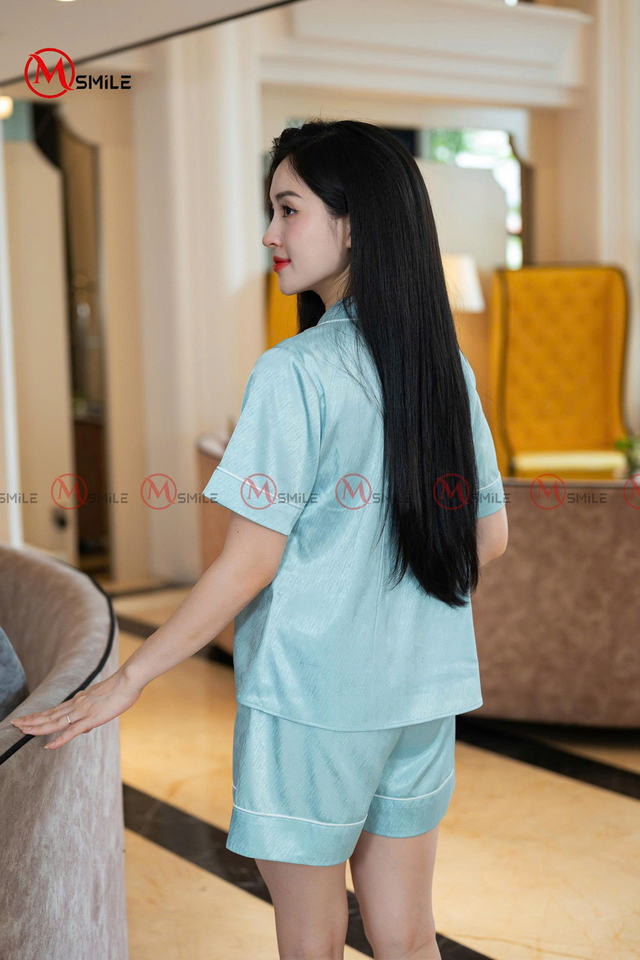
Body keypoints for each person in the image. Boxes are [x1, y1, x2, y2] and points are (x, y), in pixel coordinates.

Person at [10, 119, 508, 960]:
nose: (270, 233)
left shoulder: (295, 372)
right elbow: (488, 537)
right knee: (408, 937)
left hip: (310, 702)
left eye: (288, 209)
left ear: (355, 222)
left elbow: (249, 563)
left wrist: (129, 678)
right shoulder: (444, 368)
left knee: (310, 944)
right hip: (422, 693)